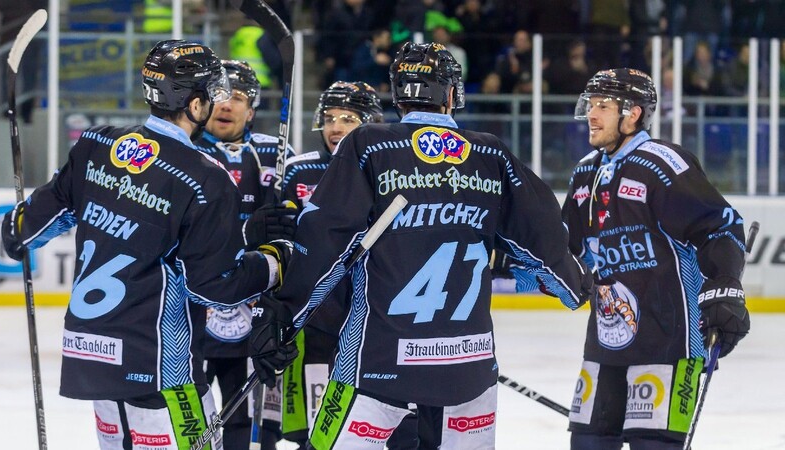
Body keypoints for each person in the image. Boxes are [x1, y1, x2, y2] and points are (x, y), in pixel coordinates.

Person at [249, 41, 592, 449]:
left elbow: (325, 245)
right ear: (450, 94)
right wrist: (574, 287)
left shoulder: (371, 145)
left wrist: (284, 315)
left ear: (397, 95)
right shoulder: (491, 153)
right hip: (468, 367)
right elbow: (544, 237)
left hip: (377, 363)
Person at [0, 39, 294, 449]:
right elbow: (213, 288)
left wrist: (17, 223)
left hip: (92, 354)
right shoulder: (203, 178)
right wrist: (274, 260)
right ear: (194, 105)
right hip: (159, 369)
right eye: (210, 94)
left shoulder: (95, 145)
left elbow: (23, 232)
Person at [562, 68, 751, 450]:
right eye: (591, 105)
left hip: (672, 343)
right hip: (606, 343)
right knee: (588, 444)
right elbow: (567, 249)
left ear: (632, 113)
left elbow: (719, 226)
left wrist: (725, 284)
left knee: (654, 445)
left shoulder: (661, 164)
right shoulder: (585, 172)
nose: (591, 115)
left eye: (603, 106)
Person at [193, 59, 296, 450]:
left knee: (247, 418)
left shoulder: (275, 153)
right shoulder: (185, 152)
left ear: (250, 110)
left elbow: (292, 232)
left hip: (251, 305)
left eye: (236, 98)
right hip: (193, 307)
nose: (226, 105)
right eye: (219, 96)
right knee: (192, 414)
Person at [278, 80, 385, 450]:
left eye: (348, 118)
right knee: (317, 433)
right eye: (329, 118)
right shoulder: (297, 170)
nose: (336, 126)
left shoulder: (386, 169)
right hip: (318, 321)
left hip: (374, 320)